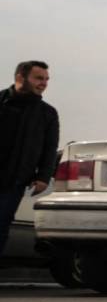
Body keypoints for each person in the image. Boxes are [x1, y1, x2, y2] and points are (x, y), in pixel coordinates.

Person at [1, 60, 59, 249]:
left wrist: (43, 176)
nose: (43, 83)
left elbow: (50, 149)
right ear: (20, 77)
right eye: (38, 78)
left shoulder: (47, 113)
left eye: (46, 79)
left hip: (14, 182)